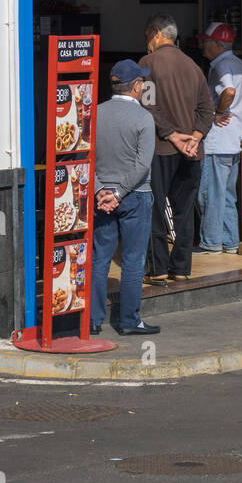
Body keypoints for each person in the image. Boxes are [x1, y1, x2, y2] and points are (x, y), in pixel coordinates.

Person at [139, 13, 214, 283]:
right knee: (184, 212)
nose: (146, 42)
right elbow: (208, 109)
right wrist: (194, 137)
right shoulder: (194, 66)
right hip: (193, 152)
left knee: (155, 208)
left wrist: (172, 136)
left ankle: (158, 268)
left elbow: (148, 105)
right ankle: (181, 269)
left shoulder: (147, 64)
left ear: (157, 32)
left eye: (148, 35)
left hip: (161, 149)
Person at [91, 60, 159, 335]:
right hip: (135, 196)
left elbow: (85, 157)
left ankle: (94, 321)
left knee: (100, 259)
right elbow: (142, 165)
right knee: (132, 261)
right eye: (142, 82)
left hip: (101, 198)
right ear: (136, 86)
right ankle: (130, 322)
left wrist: (100, 190)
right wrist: (119, 193)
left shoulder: (95, 113)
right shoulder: (144, 118)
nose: (144, 85)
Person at [196, 22, 242, 254]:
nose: (203, 45)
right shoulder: (238, 64)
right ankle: (230, 242)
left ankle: (211, 243)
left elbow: (228, 90)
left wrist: (218, 112)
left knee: (209, 194)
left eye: (206, 41)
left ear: (217, 44)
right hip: (233, 141)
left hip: (218, 142)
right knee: (227, 195)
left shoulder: (222, 66)